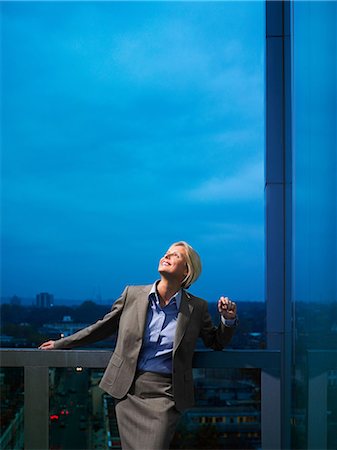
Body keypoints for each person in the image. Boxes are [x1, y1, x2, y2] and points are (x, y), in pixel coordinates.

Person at [39, 241, 238, 450]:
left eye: (175, 255)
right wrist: (62, 343)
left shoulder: (196, 307)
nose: (166, 257)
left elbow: (215, 342)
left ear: (187, 271)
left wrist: (228, 319)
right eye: (166, 253)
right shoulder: (132, 295)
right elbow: (102, 328)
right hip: (128, 389)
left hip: (166, 394)